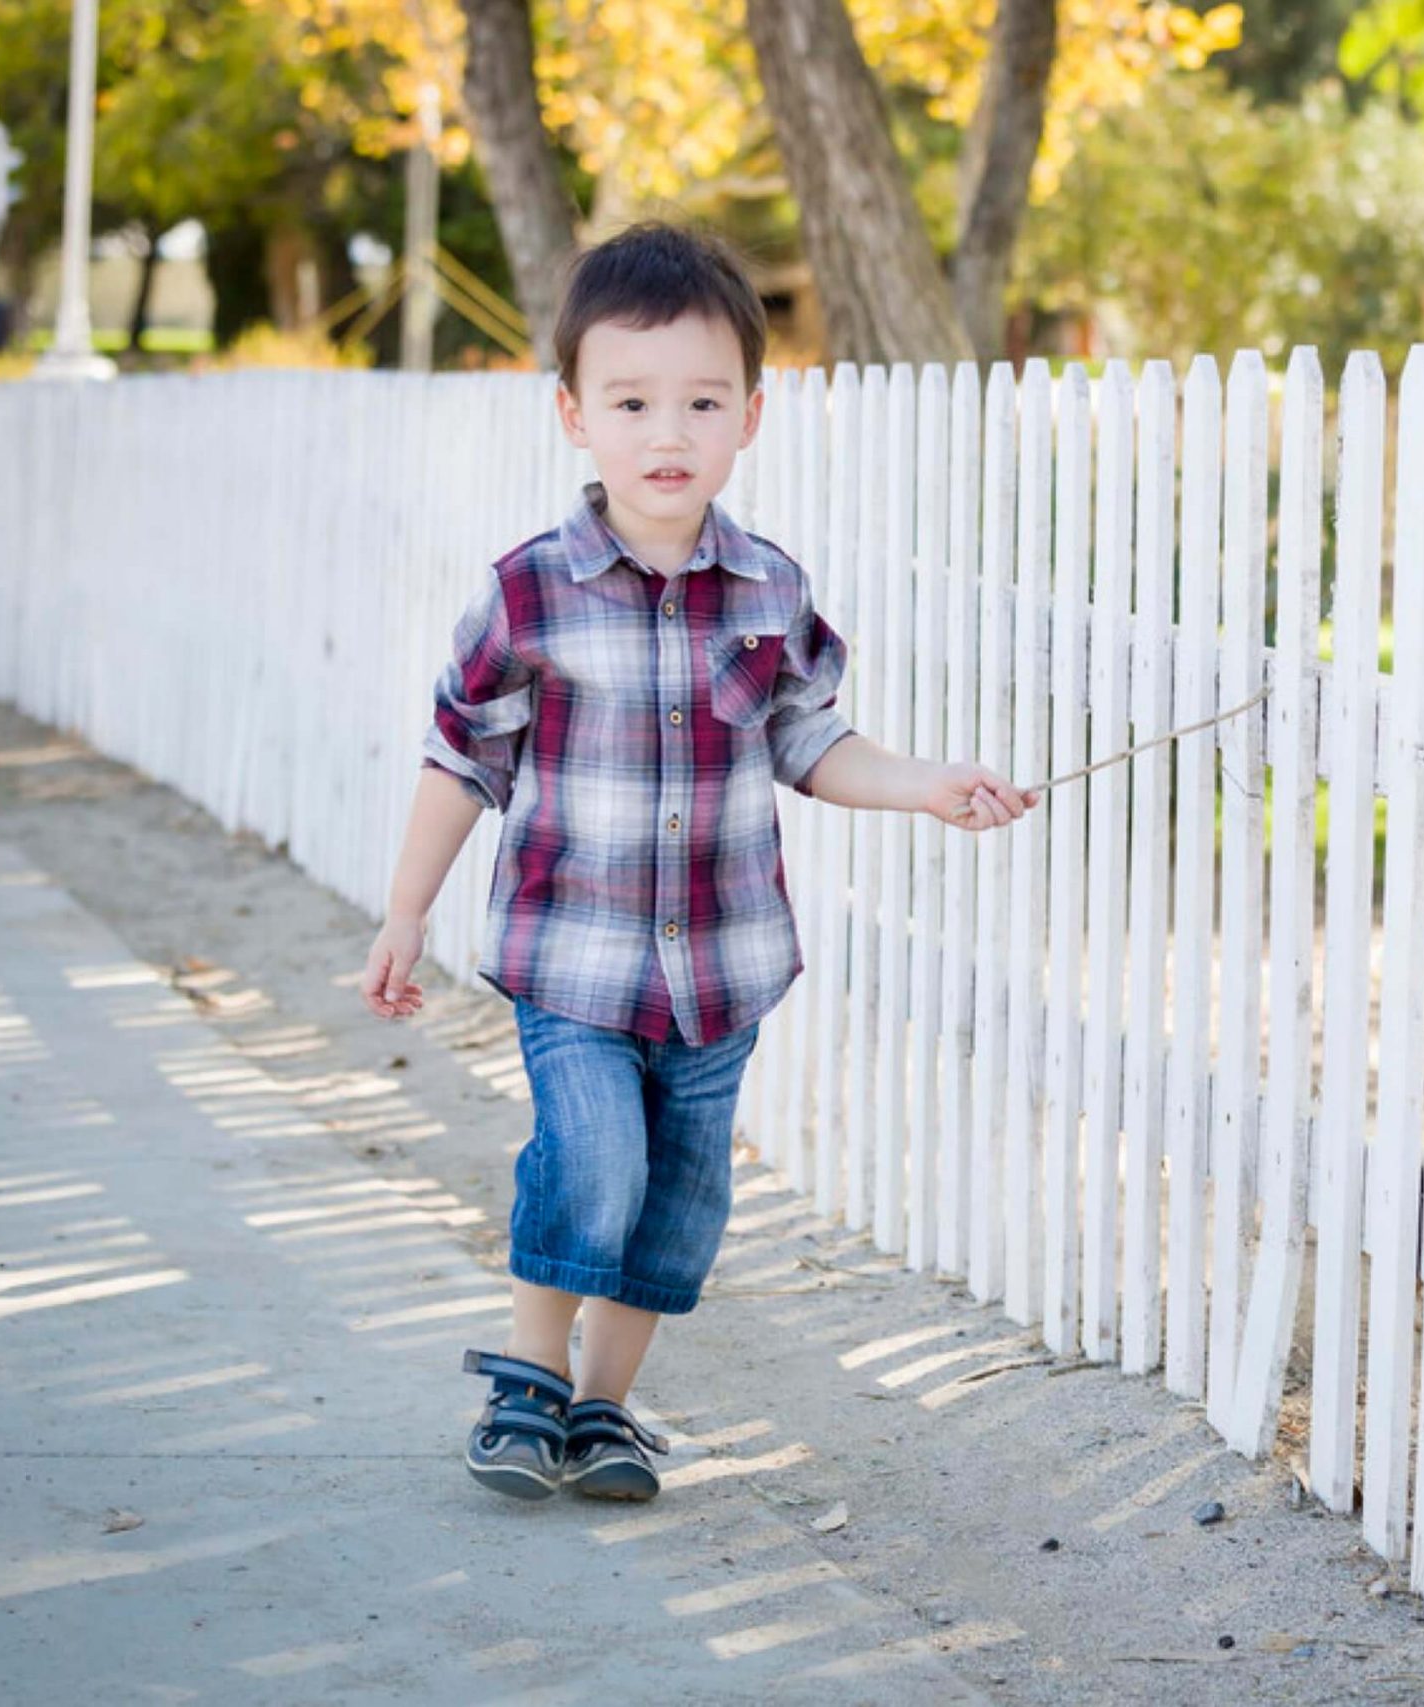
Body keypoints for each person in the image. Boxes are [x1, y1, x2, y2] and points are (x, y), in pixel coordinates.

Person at [358, 221, 1035, 1503]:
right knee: (594, 1159)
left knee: (679, 1203)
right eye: (631, 402)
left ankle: (606, 1410)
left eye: (700, 403)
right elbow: (460, 760)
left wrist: (927, 787)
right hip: (575, 960)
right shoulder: (529, 594)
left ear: (750, 416)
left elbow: (813, 742)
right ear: (572, 414)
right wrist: (405, 914)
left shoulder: (768, 591)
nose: (666, 435)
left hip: (721, 970)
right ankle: (527, 1383)